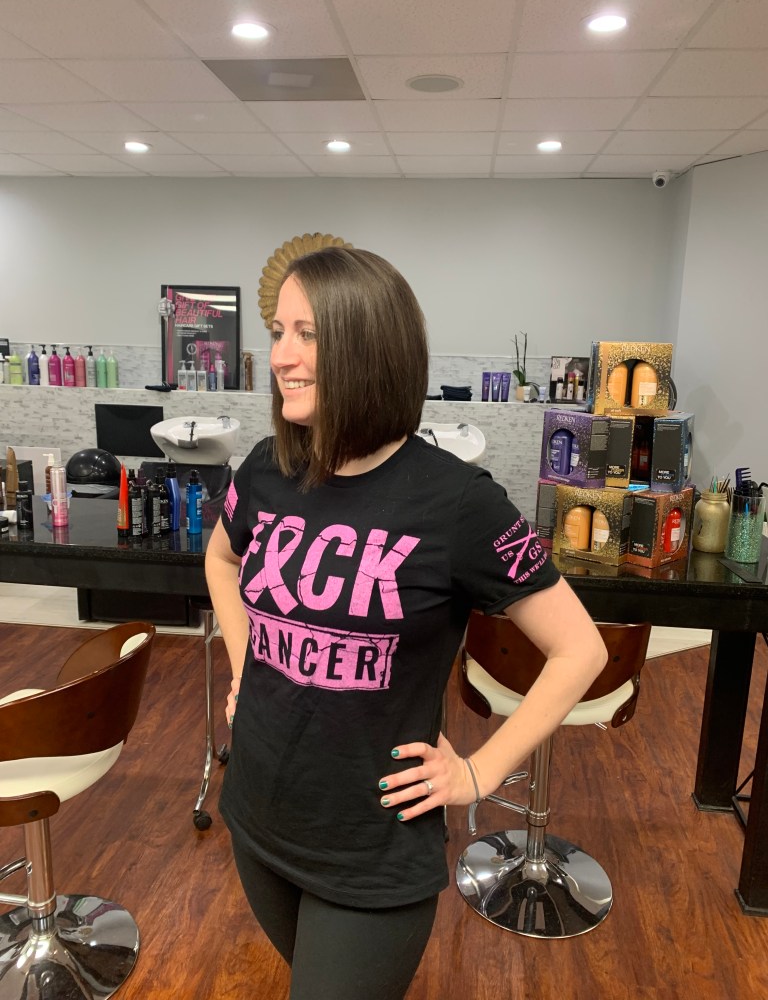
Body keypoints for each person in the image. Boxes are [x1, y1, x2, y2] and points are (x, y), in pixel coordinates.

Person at [204, 247, 607, 1000]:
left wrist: (480, 772)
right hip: (258, 816)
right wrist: (244, 667)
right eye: (278, 331)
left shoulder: (457, 502)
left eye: (307, 334)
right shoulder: (266, 466)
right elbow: (221, 560)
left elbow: (580, 650)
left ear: (368, 347)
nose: (281, 356)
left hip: (373, 850)